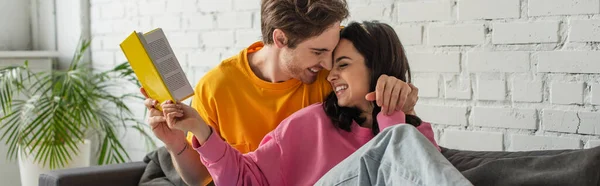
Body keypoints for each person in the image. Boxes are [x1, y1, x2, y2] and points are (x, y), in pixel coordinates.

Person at [157, 21, 472, 186]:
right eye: (329, 63)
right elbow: (246, 179)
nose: (330, 74)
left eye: (343, 64)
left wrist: (396, 113)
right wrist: (201, 129)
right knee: (401, 140)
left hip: (398, 129)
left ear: (377, 68)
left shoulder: (409, 130)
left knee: (403, 140)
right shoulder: (309, 123)